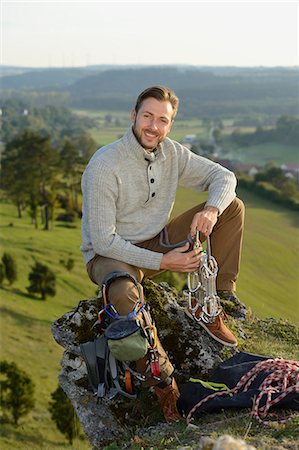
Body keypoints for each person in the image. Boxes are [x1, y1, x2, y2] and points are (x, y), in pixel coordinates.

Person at [80, 86, 245, 423]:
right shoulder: (104, 165)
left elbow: (223, 176)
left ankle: (214, 303)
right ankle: (165, 384)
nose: (153, 127)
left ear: (170, 124)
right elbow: (103, 241)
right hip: (112, 256)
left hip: (156, 241)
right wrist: (163, 263)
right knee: (124, 293)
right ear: (134, 116)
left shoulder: (172, 153)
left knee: (233, 208)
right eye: (147, 117)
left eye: (163, 120)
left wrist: (212, 210)